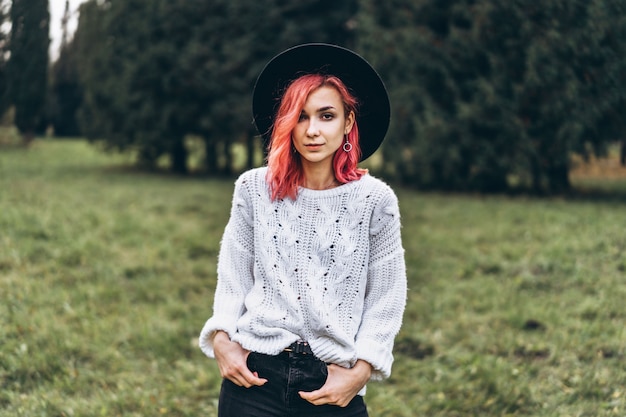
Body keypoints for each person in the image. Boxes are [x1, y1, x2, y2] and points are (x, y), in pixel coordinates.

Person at [199, 43, 407, 417]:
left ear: (347, 122)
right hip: (255, 376)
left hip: (332, 382)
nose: (312, 130)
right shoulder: (253, 189)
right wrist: (222, 340)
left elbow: (386, 298)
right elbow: (233, 277)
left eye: (326, 116)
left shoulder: (376, 201)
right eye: (301, 116)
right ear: (286, 124)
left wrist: (360, 372)